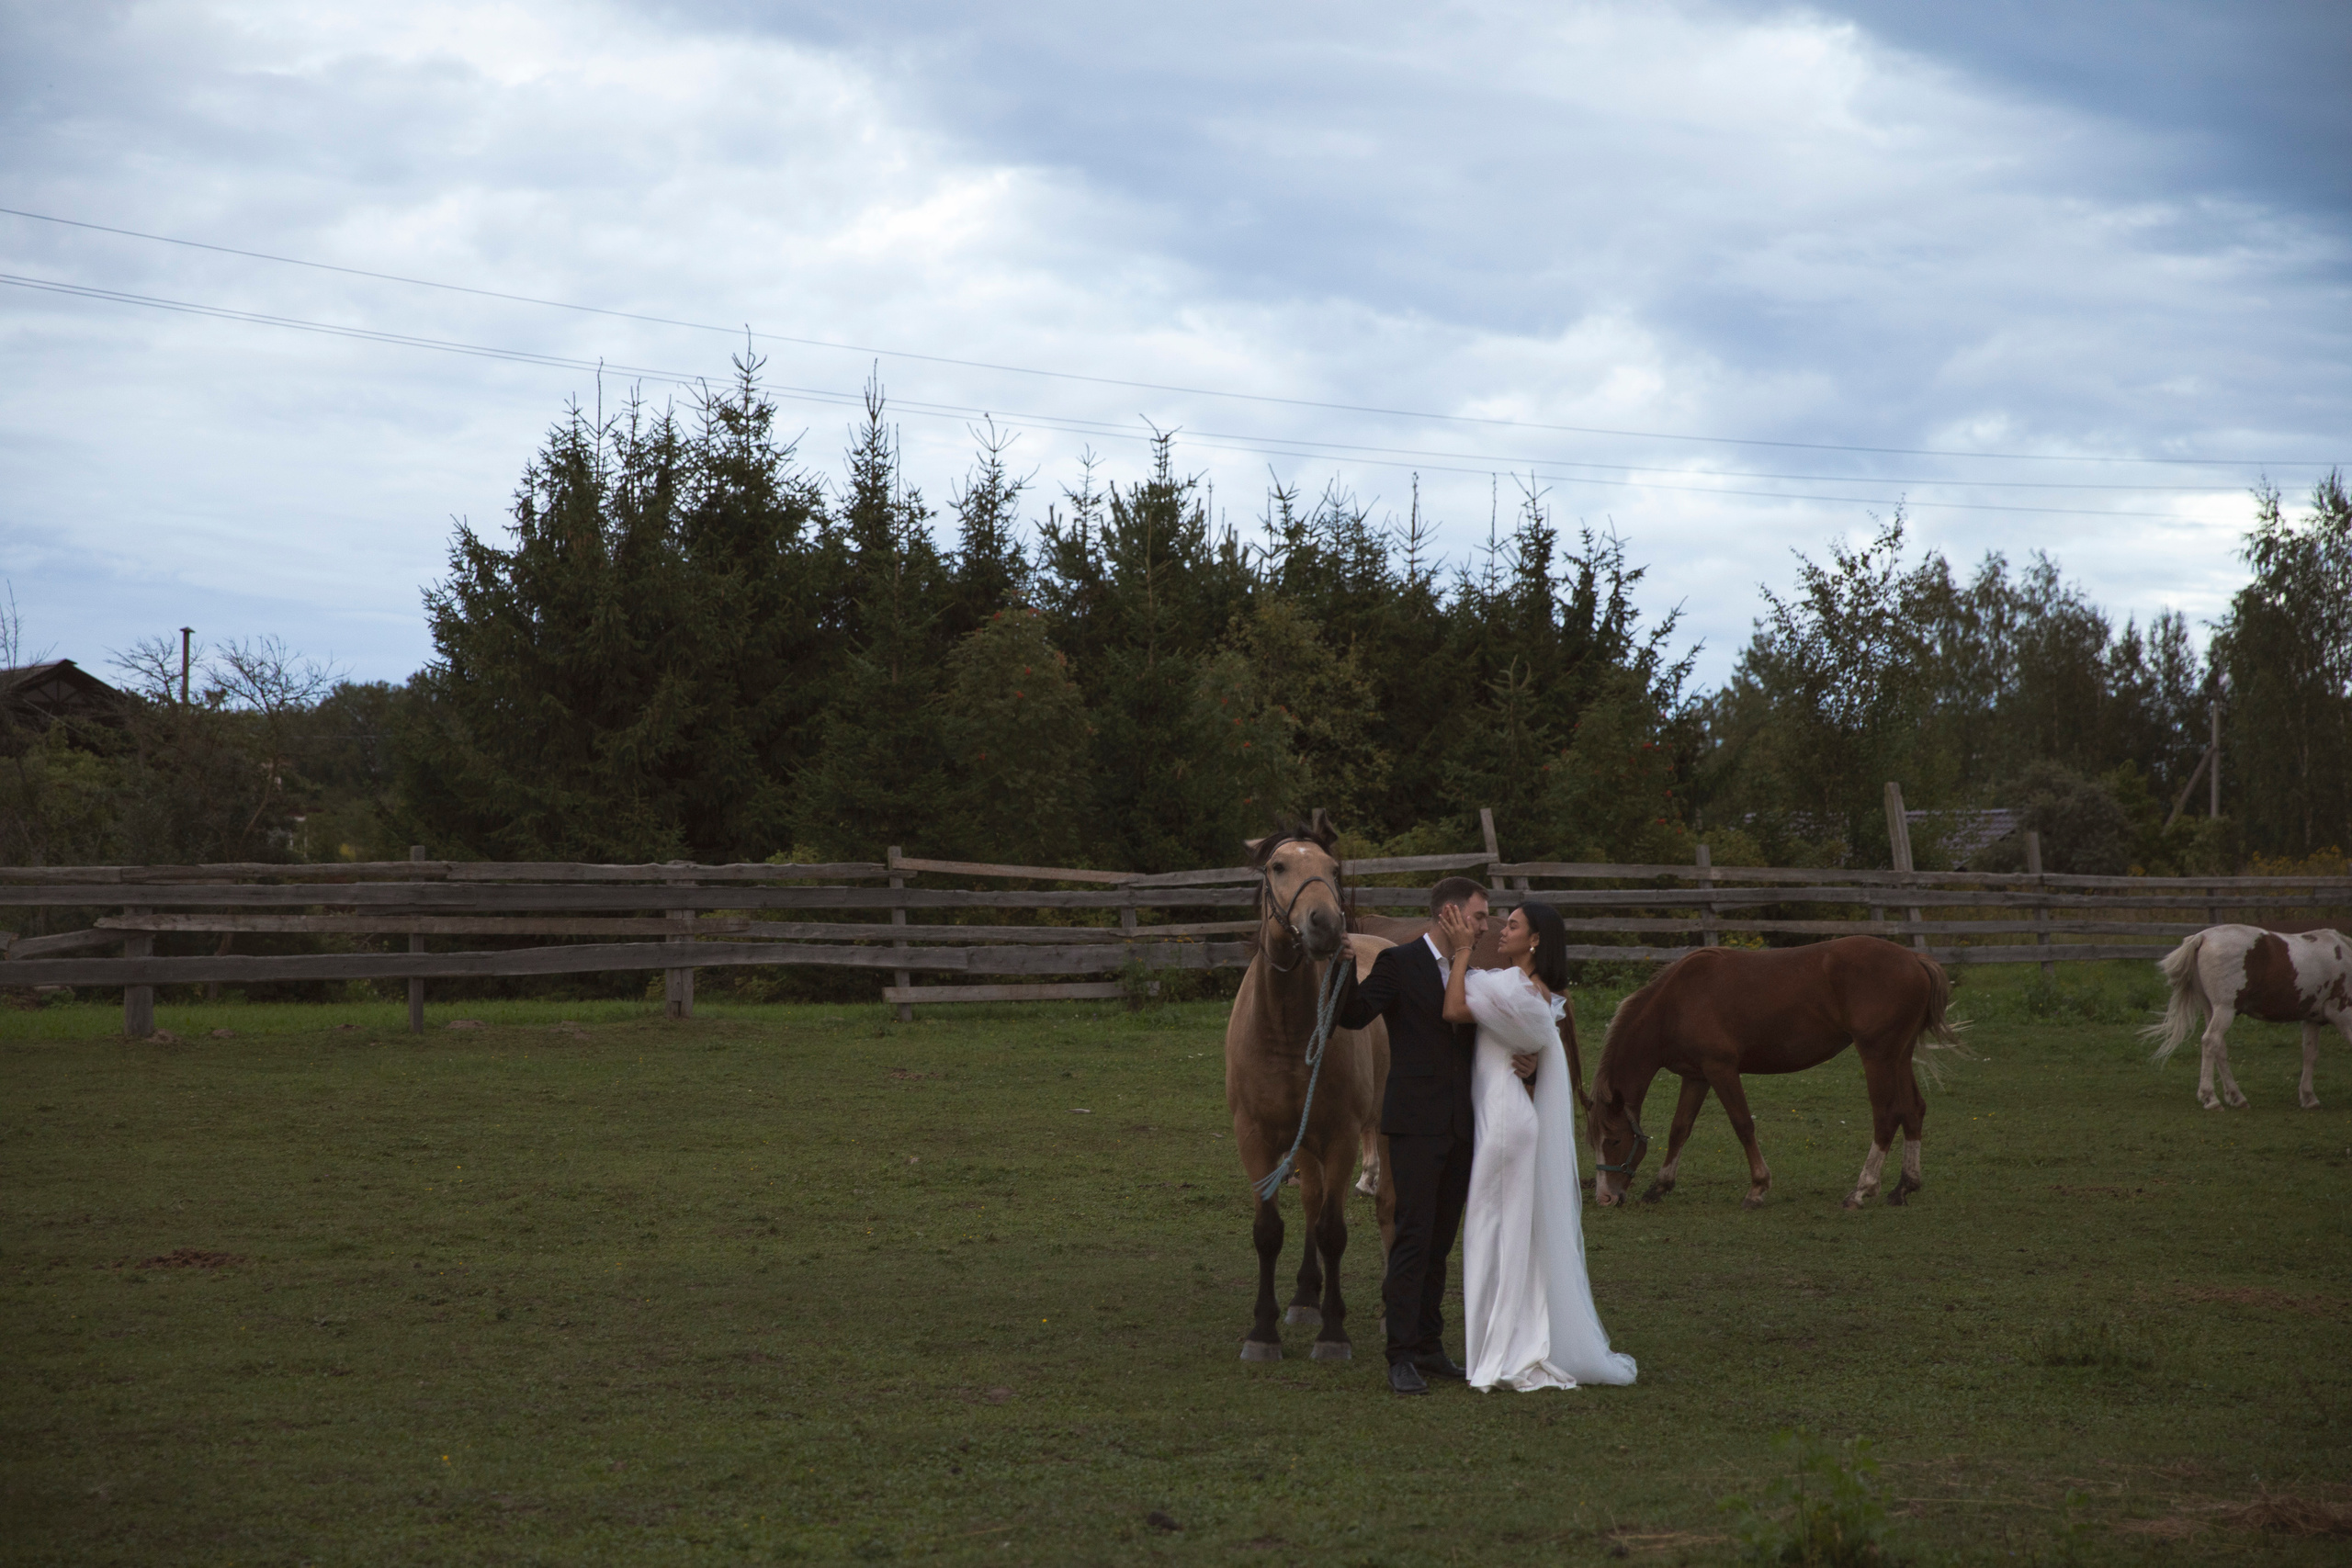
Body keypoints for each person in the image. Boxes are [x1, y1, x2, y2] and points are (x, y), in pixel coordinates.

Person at [1439, 898, 1638, 1392]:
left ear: (1534, 942)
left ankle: (1502, 1351)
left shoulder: (1520, 989)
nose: (1500, 932)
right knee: (1503, 1237)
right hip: (1504, 1118)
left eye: (1511, 926)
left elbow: (1454, 1007)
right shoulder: (1531, 992)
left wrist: (1462, 949)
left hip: (1505, 1125)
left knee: (1494, 1236)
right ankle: (1500, 1343)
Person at [1332, 875, 1492, 1395]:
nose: (1484, 925)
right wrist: (1336, 966)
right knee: (1412, 1239)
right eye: (1478, 916)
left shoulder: (1471, 973)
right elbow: (1352, 1015)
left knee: (1441, 1243)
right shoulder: (1399, 965)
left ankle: (1428, 1343)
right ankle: (1399, 1354)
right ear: (1449, 915)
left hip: (1461, 1125)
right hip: (1414, 1125)